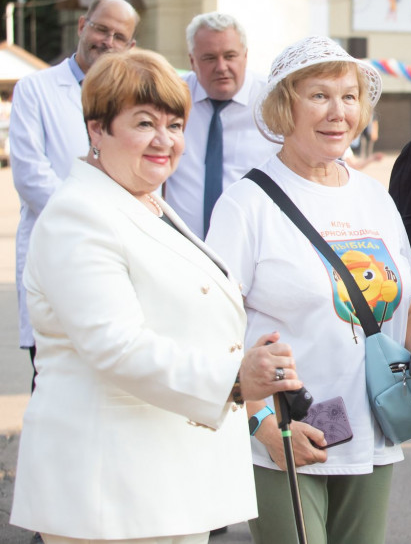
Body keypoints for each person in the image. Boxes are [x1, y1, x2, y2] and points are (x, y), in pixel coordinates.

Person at [10, 49, 301, 543]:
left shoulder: (144, 201)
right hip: (112, 489)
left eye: (175, 124)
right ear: (96, 129)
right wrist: (233, 378)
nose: (164, 141)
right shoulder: (78, 216)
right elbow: (115, 345)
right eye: (144, 123)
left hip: (165, 481)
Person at [206, 36, 411, 544]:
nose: (337, 112)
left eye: (348, 97)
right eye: (319, 95)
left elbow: (410, 304)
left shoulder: (372, 196)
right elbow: (213, 328)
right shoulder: (245, 205)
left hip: (371, 425)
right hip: (285, 432)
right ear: (286, 105)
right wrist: (259, 422)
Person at [10, 0, 139, 388]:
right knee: (54, 375)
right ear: (82, 25)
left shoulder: (131, 97)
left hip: (118, 252)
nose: (107, 41)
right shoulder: (36, 89)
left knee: (108, 374)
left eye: (120, 36)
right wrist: (95, 220)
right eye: (101, 28)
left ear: (130, 47)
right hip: (57, 246)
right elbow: (33, 177)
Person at [164, 12, 279, 238]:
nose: (221, 67)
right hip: (182, 247)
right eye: (209, 58)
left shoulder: (275, 102)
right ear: (192, 61)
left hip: (254, 247)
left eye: (230, 56)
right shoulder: (170, 97)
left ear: (245, 56)